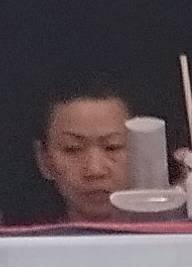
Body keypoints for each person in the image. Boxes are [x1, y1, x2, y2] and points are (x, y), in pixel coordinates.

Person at [34, 79, 133, 228]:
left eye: (112, 147)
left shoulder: (170, 238)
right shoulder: (21, 241)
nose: (95, 170)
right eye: (72, 149)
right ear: (43, 159)